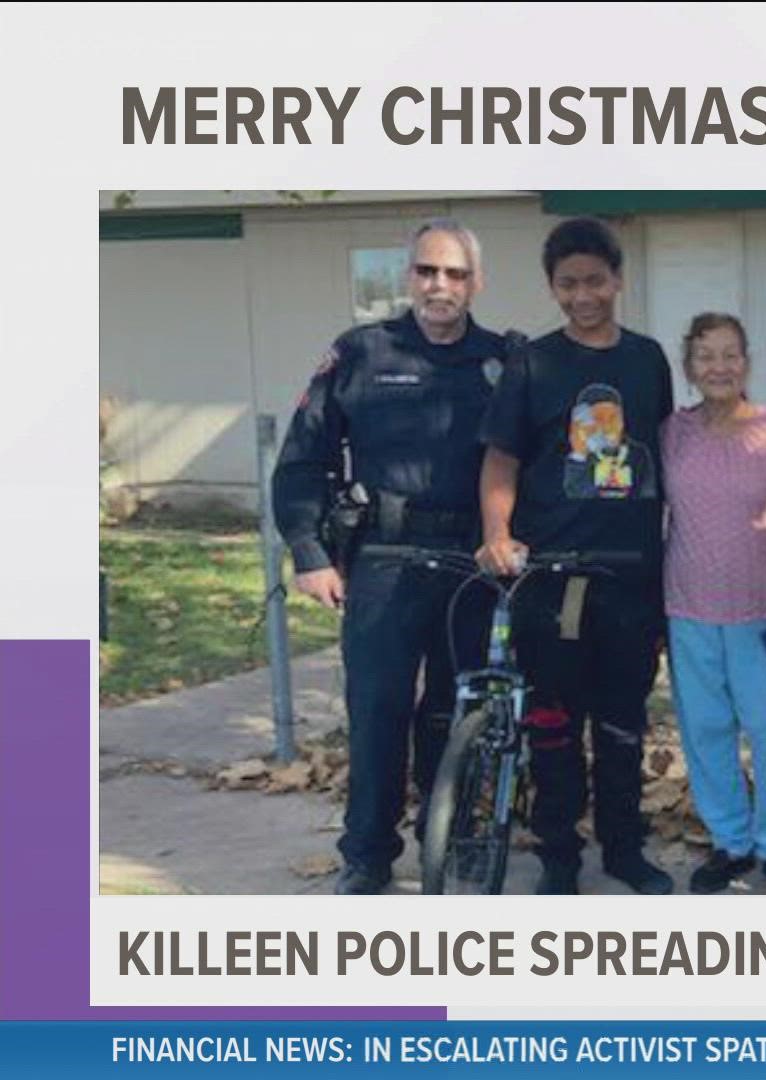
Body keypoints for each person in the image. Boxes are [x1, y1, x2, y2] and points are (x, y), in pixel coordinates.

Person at [273, 218, 511, 894]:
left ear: (477, 283)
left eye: (456, 274)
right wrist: (311, 550)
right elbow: (303, 459)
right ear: (410, 277)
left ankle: (455, 838)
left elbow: (533, 460)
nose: (441, 286)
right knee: (378, 710)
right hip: (384, 556)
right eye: (428, 271)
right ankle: (367, 854)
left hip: (473, 559)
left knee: (456, 711)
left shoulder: (505, 359)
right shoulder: (360, 353)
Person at [474, 217, 674, 895]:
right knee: (553, 727)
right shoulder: (534, 361)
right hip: (551, 575)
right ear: (552, 288)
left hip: (631, 574)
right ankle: (558, 855)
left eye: (595, 281)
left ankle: (623, 847)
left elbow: (663, 452)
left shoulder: (647, 359)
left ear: (618, 280)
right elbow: (501, 459)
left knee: (622, 726)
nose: (583, 295)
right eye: (568, 284)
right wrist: (498, 534)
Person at [662, 313, 766, 895]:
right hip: (688, 608)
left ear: (747, 363)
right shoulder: (672, 432)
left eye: (730, 355)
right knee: (706, 733)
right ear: (689, 367)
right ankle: (731, 840)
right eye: (706, 356)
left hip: (764, 610)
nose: (719, 367)